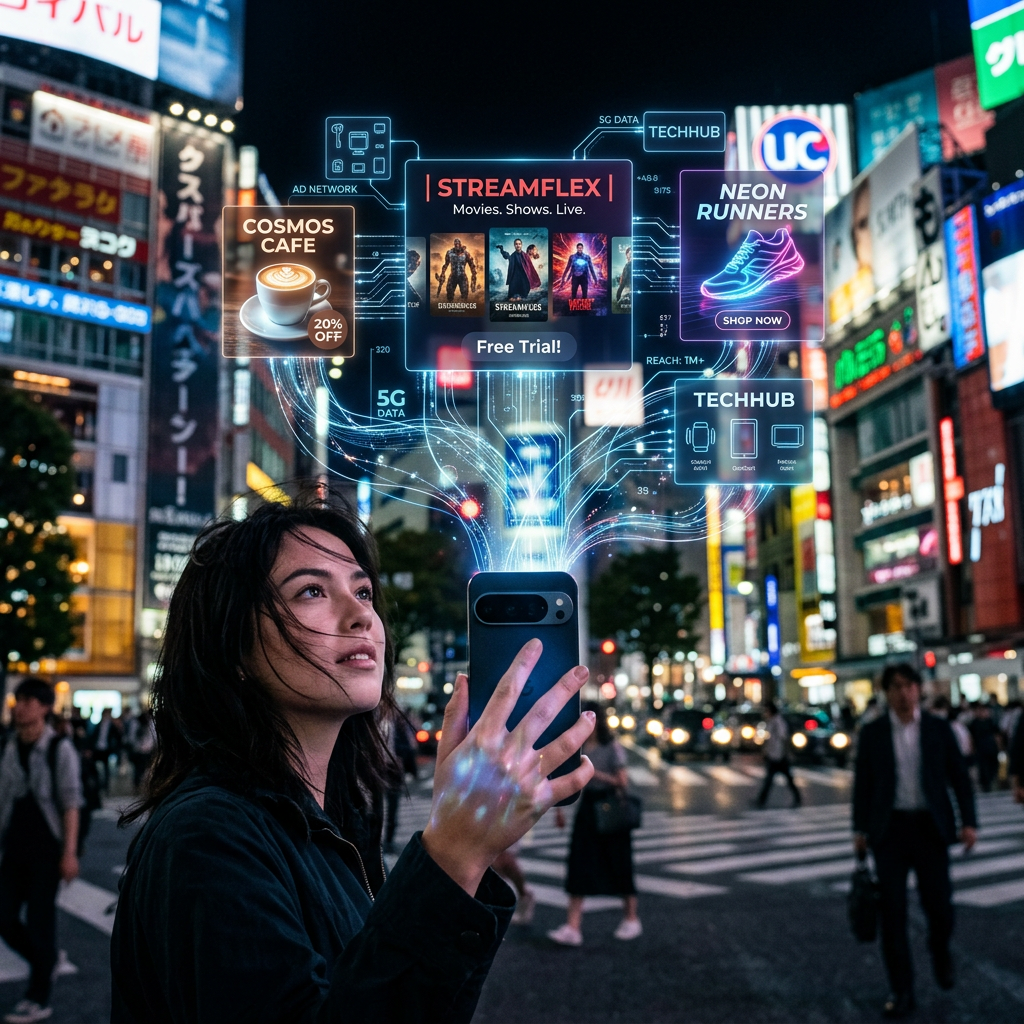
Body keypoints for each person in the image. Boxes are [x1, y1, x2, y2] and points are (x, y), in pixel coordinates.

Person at [110, 490, 595, 1022]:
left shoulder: (336, 823)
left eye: (363, 592)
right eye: (312, 591)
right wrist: (454, 853)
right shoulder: (208, 834)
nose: (359, 615)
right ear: (232, 645)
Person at [853, 663, 976, 1019]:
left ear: (919, 690)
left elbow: (959, 778)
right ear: (886, 692)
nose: (903, 693)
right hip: (890, 830)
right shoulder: (874, 733)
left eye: (909, 686)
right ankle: (901, 989)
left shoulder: (938, 729)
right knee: (892, 914)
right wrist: (859, 831)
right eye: (896, 687)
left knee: (940, 907)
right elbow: (864, 785)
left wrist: (968, 822)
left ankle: (940, 950)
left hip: (929, 828)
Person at [0, 678, 84, 1024]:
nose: (22, 706)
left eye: (30, 700)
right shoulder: (9, 746)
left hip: (47, 851)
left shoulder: (58, 748)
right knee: (4, 918)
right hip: (13, 848)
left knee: (39, 921)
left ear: (46, 707)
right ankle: (46, 960)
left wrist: (70, 852)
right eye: (19, 700)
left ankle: (38, 997)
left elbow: (71, 803)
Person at [547, 704, 640, 946]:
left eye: (590, 718)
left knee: (619, 862)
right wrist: (559, 810)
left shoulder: (612, 747)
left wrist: (591, 773)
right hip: (587, 809)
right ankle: (573, 926)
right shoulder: (576, 748)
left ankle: (631, 918)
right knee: (579, 863)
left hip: (609, 808)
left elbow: (621, 781)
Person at [382, 711, 418, 854]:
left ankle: (388, 839)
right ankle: (379, 837)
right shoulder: (380, 724)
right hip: (378, 767)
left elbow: (406, 748)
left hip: (393, 768)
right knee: (376, 805)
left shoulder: (397, 725)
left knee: (392, 804)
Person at [755, 701, 800, 809]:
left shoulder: (778, 721)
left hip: (779, 755)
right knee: (770, 779)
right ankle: (761, 800)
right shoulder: (771, 721)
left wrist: (786, 753)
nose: (764, 713)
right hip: (773, 755)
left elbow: (783, 738)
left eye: (766, 710)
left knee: (785, 779)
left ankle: (797, 798)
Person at [968, 702, 1000, 792]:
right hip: (981, 748)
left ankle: (991, 782)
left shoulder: (991, 721)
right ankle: (986, 784)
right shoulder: (974, 723)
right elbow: (971, 737)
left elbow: (997, 735)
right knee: (983, 767)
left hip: (991, 748)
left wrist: (999, 746)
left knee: (992, 766)